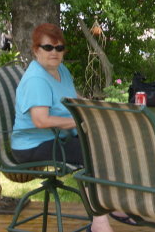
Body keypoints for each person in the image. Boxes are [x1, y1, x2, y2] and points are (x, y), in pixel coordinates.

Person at [10, 23, 133, 232]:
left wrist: (96, 111)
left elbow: (75, 100)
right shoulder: (36, 79)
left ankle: (113, 204)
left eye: (59, 48)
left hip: (58, 137)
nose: (54, 53)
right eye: (48, 47)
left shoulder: (61, 70)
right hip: (32, 145)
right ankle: (99, 223)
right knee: (92, 153)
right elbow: (41, 121)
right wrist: (80, 122)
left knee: (110, 143)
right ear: (36, 50)